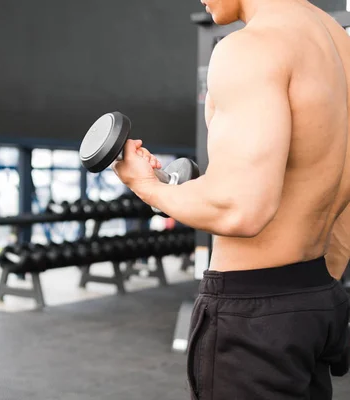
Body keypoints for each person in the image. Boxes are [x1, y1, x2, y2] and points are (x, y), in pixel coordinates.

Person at [112, 0, 350, 399]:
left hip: (254, 312)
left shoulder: (251, 47)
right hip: (316, 295)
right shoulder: (339, 44)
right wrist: (311, 293)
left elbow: (241, 208)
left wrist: (147, 187)